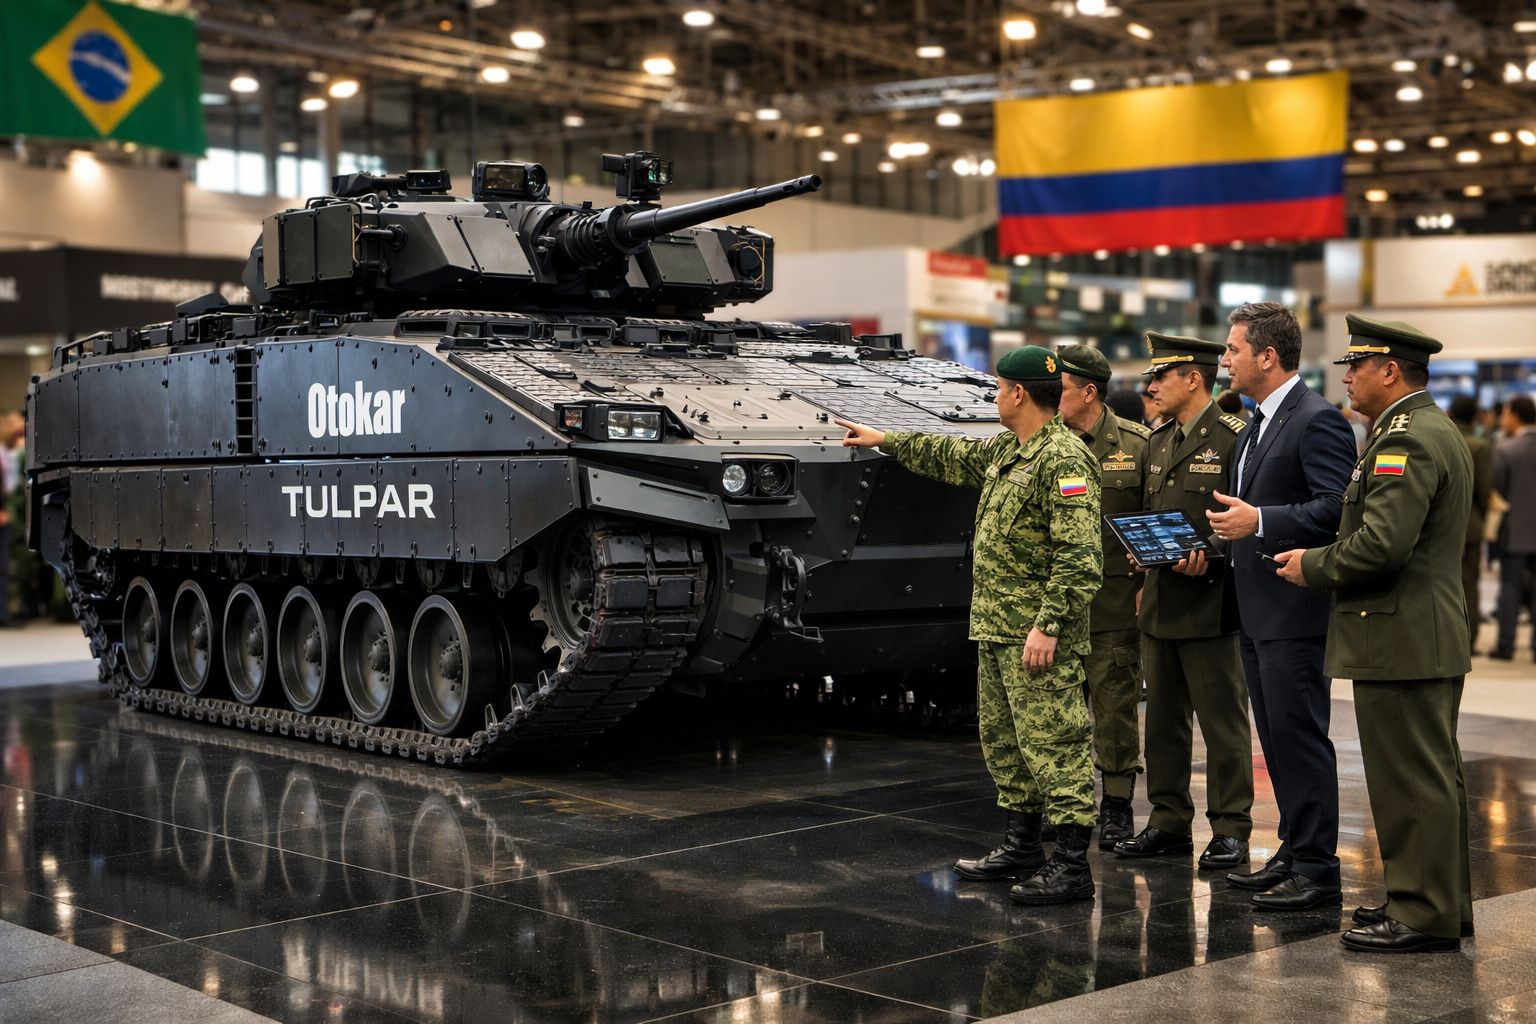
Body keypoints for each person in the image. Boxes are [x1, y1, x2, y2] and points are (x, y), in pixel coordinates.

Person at [835, 345, 1103, 905]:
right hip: (997, 631)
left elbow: (1080, 559)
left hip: (1035, 637)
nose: (996, 395)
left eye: (1000, 387)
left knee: (1056, 745)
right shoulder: (1012, 450)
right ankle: (1023, 848)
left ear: (1019, 394)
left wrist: (1048, 626)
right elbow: (951, 453)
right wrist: (886, 439)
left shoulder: (1063, 460)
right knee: (1007, 745)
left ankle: (1073, 868)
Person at [1273, 313, 1473, 953]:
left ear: (1390, 370)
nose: (1348, 378)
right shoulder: (1418, 429)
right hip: (1414, 632)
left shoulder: (1404, 440)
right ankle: (1435, 900)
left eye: (1356, 366)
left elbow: (1383, 545)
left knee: (1412, 778)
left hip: (1403, 634)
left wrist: (1312, 565)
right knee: (1427, 776)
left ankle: (1422, 912)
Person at [1203, 302, 1354, 911]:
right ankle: (1294, 847)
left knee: (1300, 737)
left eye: (1233, 349)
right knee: (1276, 739)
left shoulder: (1316, 420)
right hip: (1255, 609)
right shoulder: (1255, 425)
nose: (1224, 360)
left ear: (1267, 356)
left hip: (1295, 611)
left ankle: (1318, 869)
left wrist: (1260, 519)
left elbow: (1336, 509)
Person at [1113, 333, 1254, 872]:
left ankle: (1231, 828)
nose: (1151, 386)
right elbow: (1152, 511)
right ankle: (1169, 820)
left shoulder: (1235, 437)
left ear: (1193, 379)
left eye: (1161, 377)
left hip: (1212, 601)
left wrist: (1212, 554)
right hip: (1161, 600)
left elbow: (1248, 515)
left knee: (1222, 723)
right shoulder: (1159, 439)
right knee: (1163, 721)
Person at [1056, 345, 1150, 848]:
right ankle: (1068, 804)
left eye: (1063, 389)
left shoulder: (1136, 446)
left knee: (1114, 713)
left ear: (1089, 392)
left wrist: (1147, 584)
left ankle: (1116, 806)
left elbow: (1154, 523)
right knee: (1061, 714)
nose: (1054, 399)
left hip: (1114, 605)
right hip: (1057, 611)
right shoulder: (1045, 444)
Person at [1491, 395, 1536, 661]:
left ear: (1515, 417)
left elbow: (1497, 492)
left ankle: (1505, 646)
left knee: (1510, 587)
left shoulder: (1505, 449)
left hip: (1513, 530)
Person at [1448, 396, 1493, 653]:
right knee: (1469, 584)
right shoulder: (1480, 445)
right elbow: (1485, 490)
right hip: (1471, 525)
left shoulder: (1442, 437)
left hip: (1441, 523)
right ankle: (1468, 640)